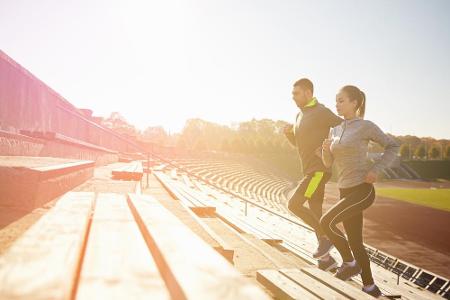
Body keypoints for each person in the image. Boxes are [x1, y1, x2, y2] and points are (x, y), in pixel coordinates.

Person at [320, 85, 399, 298]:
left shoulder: (366, 126)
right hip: (344, 190)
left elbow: (393, 146)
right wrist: (325, 150)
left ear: (355, 102)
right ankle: (370, 287)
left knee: (325, 222)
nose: (337, 104)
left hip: (362, 190)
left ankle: (350, 263)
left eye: (341, 100)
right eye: (336, 100)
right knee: (355, 242)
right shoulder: (334, 130)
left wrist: (376, 169)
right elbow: (328, 163)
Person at [284, 78, 342, 271]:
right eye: (292, 94)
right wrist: (290, 136)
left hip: (318, 171)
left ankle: (328, 238)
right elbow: (302, 146)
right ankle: (326, 260)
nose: (293, 97)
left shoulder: (321, 112)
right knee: (315, 212)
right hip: (309, 169)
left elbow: (344, 128)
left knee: (293, 204)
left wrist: (330, 149)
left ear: (308, 93)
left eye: (296, 93)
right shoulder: (299, 115)